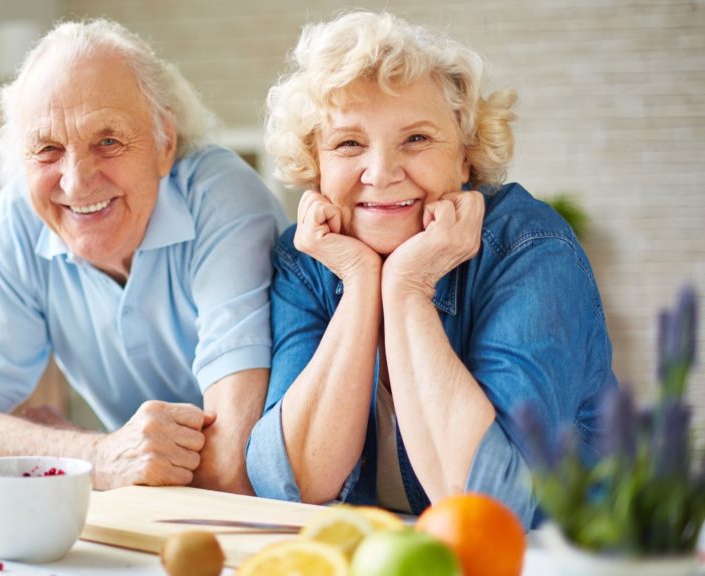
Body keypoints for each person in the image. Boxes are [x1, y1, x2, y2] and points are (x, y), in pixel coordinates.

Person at [246, 10, 616, 527]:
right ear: (316, 163)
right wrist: (359, 283)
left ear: (465, 157)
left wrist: (407, 286)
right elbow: (290, 481)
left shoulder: (531, 248)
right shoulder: (309, 257)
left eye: (416, 139)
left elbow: (492, 503)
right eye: (349, 143)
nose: (381, 173)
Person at [0, 19, 288, 494]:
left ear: (164, 144)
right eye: (48, 149)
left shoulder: (221, 199)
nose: (76, 183)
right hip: (151, 521)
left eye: (108, 141)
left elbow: (232, 466)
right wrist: (98, 456)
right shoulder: (21, 215)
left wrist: (65, 443)